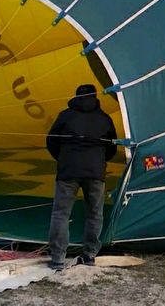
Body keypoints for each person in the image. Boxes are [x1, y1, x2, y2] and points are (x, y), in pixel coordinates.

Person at [46, 83, 117, 270]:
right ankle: (90, 255)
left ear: (76, 97)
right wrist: (100, 162)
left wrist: (62, 159)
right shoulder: (105, 119)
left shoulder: (65, 116)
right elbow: (112, 147)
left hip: (68, 171)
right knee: (95, 214)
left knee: (61, 213)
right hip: (95, 173)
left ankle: (58, 258)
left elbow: (51, 141)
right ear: (95, 97)